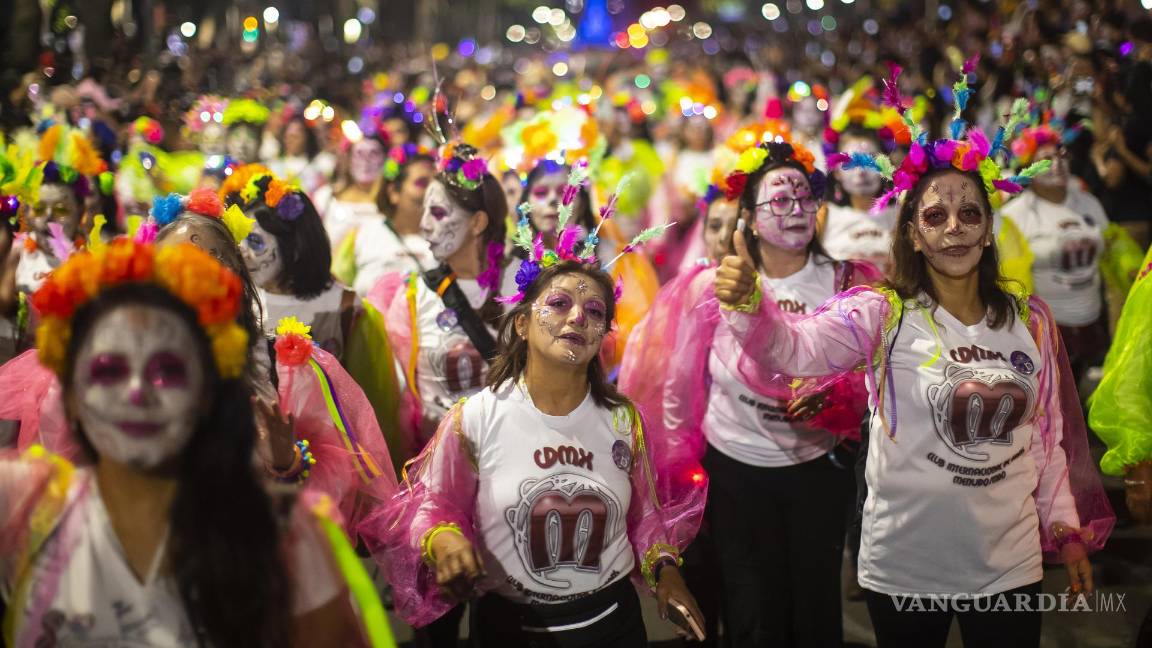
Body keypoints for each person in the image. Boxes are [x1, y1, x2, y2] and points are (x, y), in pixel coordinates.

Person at [713, 89, 1114, 647]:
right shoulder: (882, 312)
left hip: (1011, 564)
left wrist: (1065, 528)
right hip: (906, 565)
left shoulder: (1030, 319)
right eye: (936, 215)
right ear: (913, 233)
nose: (955, 227)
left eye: (970, 213)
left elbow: (1046, 438)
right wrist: (749, 307)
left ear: (989, 228)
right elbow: (791, 351)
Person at [0, 239, 379, 647]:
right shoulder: (25, 509)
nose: (137, 391)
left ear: (206, 392)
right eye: (108, 368)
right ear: (71, 395)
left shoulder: (287, 538)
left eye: (167, 370)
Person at [361, 228, 706, 646]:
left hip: (611, 624)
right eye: (560, 304)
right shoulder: (475, 418)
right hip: (511, 629)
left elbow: (647, 520)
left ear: (602, 338)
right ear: (522, 324)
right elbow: (432, 505)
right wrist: (447, 541)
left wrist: (668, 573)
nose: (578, 317)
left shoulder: (623, 421)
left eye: (595, 312)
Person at [621, 136, 880, 648]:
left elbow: (870, 376)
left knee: (813, 607)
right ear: (750, 216)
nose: (796, 210)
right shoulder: (712, 286)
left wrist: (835, 395)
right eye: (779, 200)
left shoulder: (846, 283)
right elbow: (676, 388)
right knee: (752, 609)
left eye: (805, 198)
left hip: (818, 472)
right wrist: (680, 474)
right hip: (736, 472)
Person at [1000, 123, 1130, 380]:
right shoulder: (1015, 215)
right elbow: (1006, 282)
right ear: (1029, 169)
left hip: (1093, 325)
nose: (1057, 164)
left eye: (1061, 156)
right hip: (1048, 332)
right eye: (1046, 159)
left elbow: (1112, 249)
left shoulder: (1088, 203)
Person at [238, 173, 355, 358]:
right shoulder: (240, 303)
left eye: (254, 241)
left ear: (294, 248)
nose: (241, 250)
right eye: (239, 239)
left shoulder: (344, 305)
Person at [346, 143, 436, 297]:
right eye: (422, 183)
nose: (433, 191)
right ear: (394, 191)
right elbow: (341, 286)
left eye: (437, 183)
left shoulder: (446, 238)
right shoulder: (363, 234)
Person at [822, 125, 898, 272]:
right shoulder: (824, 217)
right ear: (836, 172)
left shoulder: (902, 215)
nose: (861, 172)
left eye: (869, 161)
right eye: (850, 163)